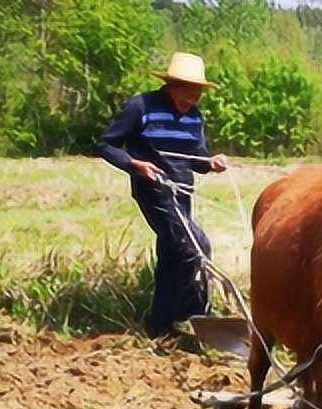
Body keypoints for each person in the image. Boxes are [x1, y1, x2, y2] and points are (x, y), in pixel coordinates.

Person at [97, 52, 229, 339]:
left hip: (182, 193)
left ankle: (159, 325)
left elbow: (196, 158)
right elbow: (106, 145)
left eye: (197, 94)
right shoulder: (141, 107)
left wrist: (211, 163)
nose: (192, 99)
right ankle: (192, 318)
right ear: (172, 85)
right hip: (152, 190)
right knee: (195, 247)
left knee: (172, 255)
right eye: (188, 91)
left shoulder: (195, 117)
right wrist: (134, 164)